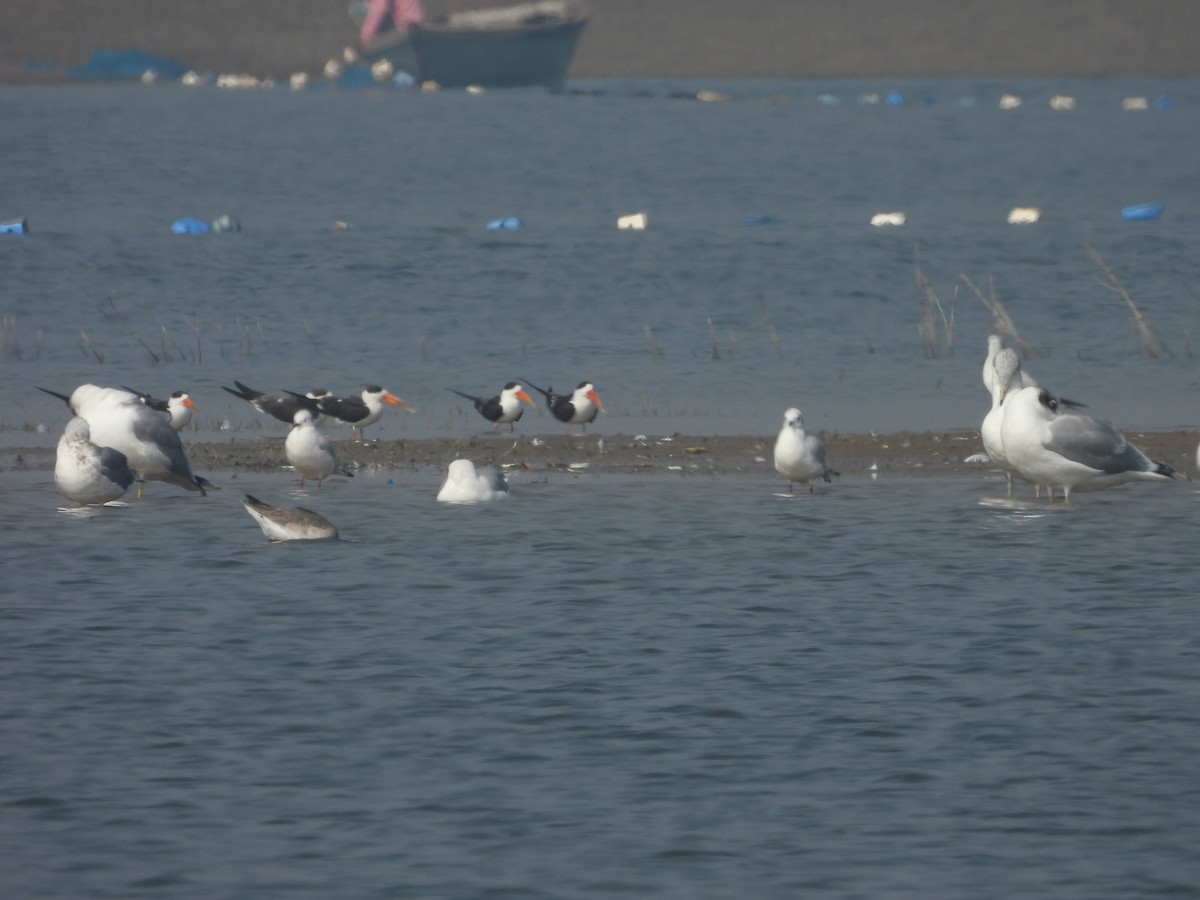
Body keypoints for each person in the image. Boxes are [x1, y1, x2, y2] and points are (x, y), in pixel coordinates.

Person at [360, 0, 425, 45]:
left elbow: (380, 9)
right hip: (415, 22)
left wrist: (365, 38)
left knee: (356, 8)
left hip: (405, 28)